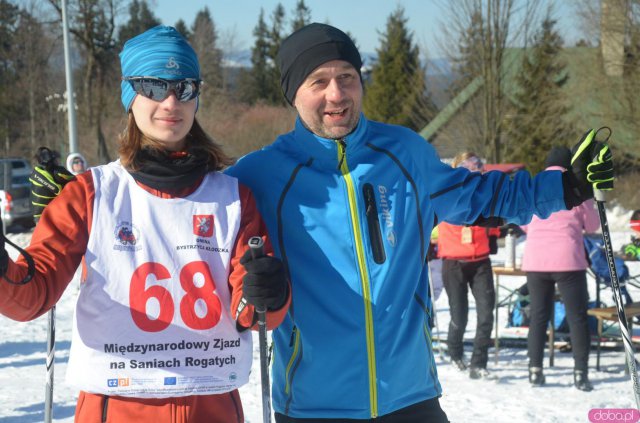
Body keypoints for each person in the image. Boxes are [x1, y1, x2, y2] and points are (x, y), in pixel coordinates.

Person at [225, 22, 613, 422]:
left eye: (346, 77)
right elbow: (201, 242)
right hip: (314, 405)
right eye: (317, 81)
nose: (336, 94)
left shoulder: (404, 153)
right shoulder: (259, 175)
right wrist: (253, 287)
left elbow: (486, 198)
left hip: (411, 399)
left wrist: (567, 187)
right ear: (293, 94)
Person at [0, 25, 290, 422]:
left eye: (184, 87)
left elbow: (253, 313)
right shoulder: (90, 193)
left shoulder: (233, 197)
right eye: (153, 86)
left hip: (210, 406)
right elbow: (32, 296)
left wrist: (268, 294)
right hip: (116, 408)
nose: (171, 100)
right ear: (130, 97)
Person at [521, 146, 600, 391]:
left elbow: (523, 223)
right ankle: (580, 373)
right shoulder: (575, 187)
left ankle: (535, 370)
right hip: (568, 260)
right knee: (577, 317)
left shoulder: (533, 187)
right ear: (568, 165)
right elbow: (593, 226)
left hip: (536, 261)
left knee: (538, 317)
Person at [436, 152, 500, 379]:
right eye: (470, 172)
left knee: (486, 314)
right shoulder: (446, 193)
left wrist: (494, 233)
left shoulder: (484, 195)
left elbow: (493, 219)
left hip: (480, 261)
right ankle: (455, 352)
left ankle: (478, 362)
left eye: (478, 172)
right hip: (453, 262)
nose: (475, 177)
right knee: (459, 315)